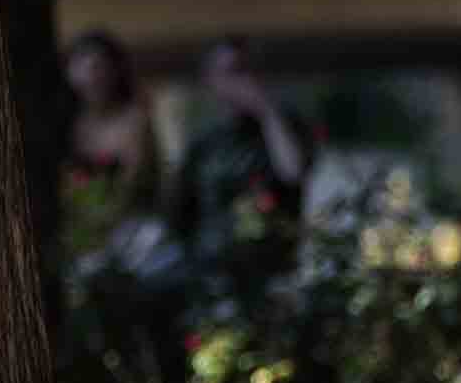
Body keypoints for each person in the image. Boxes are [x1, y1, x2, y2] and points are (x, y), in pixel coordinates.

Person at [171, 35, 313, 276]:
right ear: (211, 80)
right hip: (212, 266)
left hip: (271, 266)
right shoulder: (204, 144)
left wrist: (267, 112)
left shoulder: (285, 127)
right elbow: (183, 211)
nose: (244, 81)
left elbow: (294, 172)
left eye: (248, 70)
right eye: (233, 72)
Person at [62, 29, 161, 252]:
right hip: (77, 232)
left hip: (128, 233)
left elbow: (135, 181)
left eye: (99, 66)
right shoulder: (66, 124)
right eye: (83, 66)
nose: (92, 76)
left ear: (116, 70)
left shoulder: (135, 121)